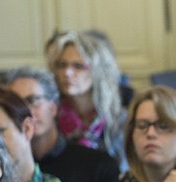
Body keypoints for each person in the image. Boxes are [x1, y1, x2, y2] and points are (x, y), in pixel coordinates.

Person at [4, 66, 119, 182]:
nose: (26, 111)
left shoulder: (99, 164)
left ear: (53, 108)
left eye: (32, 100)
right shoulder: (1, 168)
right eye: (16, 104)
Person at [46, 30, 126, 167]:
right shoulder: (50, 114)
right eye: (62, 65)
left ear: (98, 72)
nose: (67, 73)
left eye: (78, 66)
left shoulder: (117, 118)